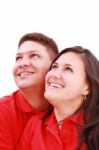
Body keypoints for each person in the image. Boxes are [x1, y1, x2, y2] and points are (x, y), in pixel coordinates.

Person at [16, 46, 99, 150]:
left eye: (68, 69)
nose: (55, 74)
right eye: (54, 67)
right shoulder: (35, 125)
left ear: (87, 88)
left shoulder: (95, 131)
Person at [0, 32, 59, 149]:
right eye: (18, 58)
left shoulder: (65, 106)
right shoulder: (3, 111)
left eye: (34, 56)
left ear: (53, 67)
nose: (22, 63)